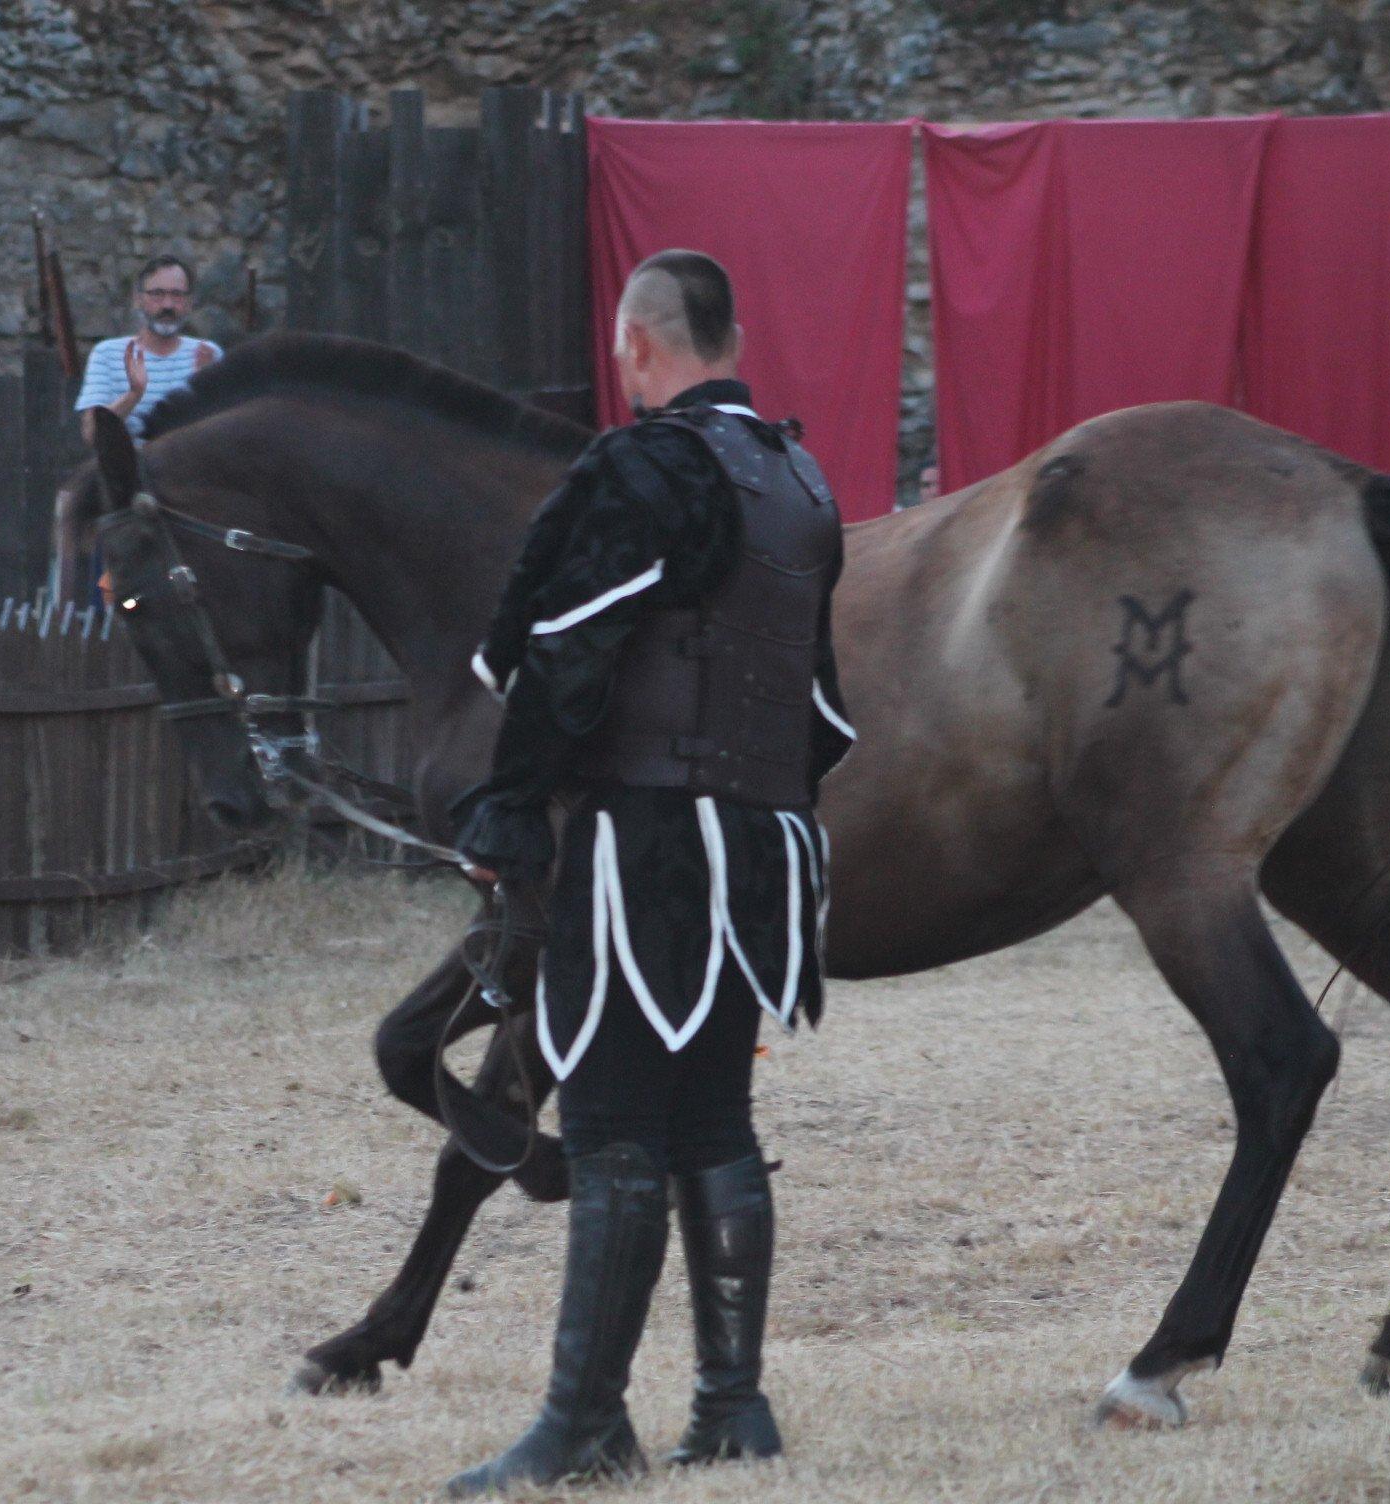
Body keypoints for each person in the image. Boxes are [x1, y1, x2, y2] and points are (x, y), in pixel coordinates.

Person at [445, 250, 855, 1496]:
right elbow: (820, 707)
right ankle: (733, 1408)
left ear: (635, 342)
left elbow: (563, 642)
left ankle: (584, 1428)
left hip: (653, 846)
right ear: (734, 341)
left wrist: (510, 803)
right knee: (714, 1121)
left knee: (615, 1126)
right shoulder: (799, 477)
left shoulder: (648, 465)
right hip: (763, 842)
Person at [74, 254, 222, 445]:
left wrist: (204, 388)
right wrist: (134, 395)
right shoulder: (107, 354)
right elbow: (91, 435)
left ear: (189, 303)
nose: (168, 305)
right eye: (157, 294)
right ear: (138, 299)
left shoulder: (207, 354)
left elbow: (223, 437)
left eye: (177, 295)